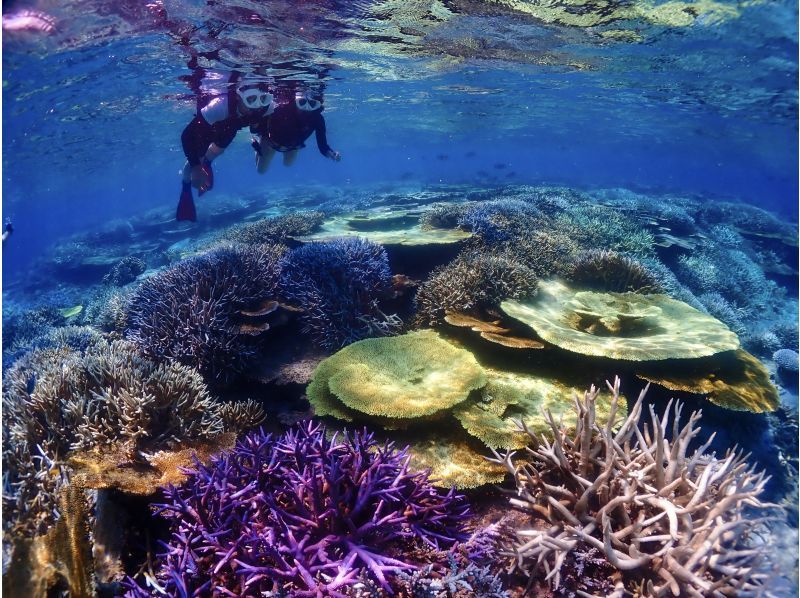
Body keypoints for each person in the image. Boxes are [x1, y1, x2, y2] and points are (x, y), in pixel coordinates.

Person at [177, 73, 276, 221]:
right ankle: (186, 188)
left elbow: (265, 124)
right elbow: (187, 136)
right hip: (210, 127)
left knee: (218, 151)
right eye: (251, 99)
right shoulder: (219, 106)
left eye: (263, 99)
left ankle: (208, 164)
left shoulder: (266, 107)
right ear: (238, 96)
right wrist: (197, 167)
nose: (257, 106)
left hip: (231, 127)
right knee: (198, 157)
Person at [251, 90, 341, 174]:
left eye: (312, 104)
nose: (306, 108)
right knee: (261, 171)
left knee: (288, 164)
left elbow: (322, 145)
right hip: (270, 143)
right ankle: (259, 144)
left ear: (317, 105)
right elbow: (260, 124)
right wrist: (259, 139)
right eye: (302, 103)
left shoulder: (317, 119)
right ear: (296, 102)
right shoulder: (282, 109)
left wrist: (332, 155)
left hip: (293, 147)